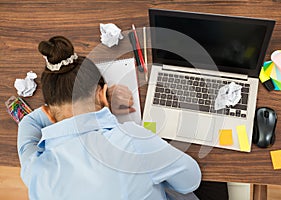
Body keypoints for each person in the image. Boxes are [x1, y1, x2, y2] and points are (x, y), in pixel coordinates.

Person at [17, 36, 201, 200]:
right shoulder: (133, 141)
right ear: (103, 94)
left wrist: (59, 108)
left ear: (48, 112)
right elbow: (190, 181)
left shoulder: (35, 171)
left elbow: (28, 122)